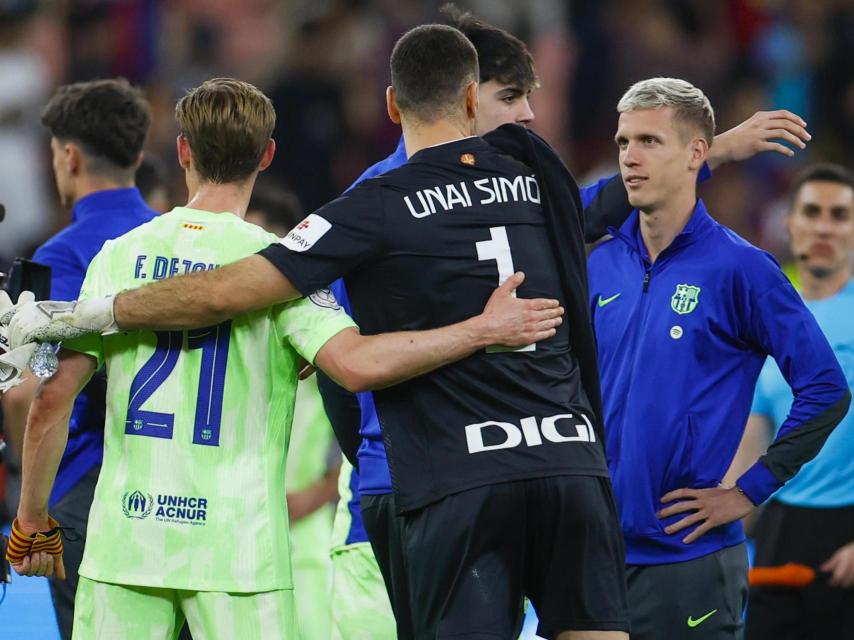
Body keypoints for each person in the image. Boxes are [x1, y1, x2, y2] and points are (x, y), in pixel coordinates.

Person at [5, 26, 636, 639]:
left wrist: (32, 515)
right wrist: (481, 328)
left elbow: (52, 397)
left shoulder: (120, 256)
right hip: (245, 548)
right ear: (269, 155)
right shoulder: (537, 169)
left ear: (183, 152)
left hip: (131, 541)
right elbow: (353, 361)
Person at [322, 6, 812, 637]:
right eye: (511, 97)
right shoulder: (372, 207)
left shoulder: (515, 189)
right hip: (420, 491)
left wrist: (707, 152)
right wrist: (378, 462)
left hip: (522, 474)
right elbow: (340, 368)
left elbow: (589, 208)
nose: (527, 114)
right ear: (463, 98)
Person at [586, 78, 851, 640]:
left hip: (689, 564)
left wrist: (748, 490)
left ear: (697, 154)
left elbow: (826, 388)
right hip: (592, 556)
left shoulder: (743, 270)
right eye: (623, 141)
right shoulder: (597, 267)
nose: (630, 158)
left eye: (651, 142)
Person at [0, 78, 156, 640]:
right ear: (137, 155)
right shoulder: (173, 242)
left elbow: (30, 391)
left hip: (87, 492)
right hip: (172, 483)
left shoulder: (62, 254)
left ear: (67, 156)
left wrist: (28, 505)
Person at [724, 163, 854, 639]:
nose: (824, 226)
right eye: (812, 212)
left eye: (839, 215)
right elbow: (752, 441)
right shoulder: (771, 321)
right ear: (790, 223)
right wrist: (720, 519)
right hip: (778, 530)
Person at [247, 181, 342, 640]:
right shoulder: (231, 346)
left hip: (313, 550)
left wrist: (319, 493)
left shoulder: (330, 342)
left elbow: (360, 439)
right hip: (238, 545)